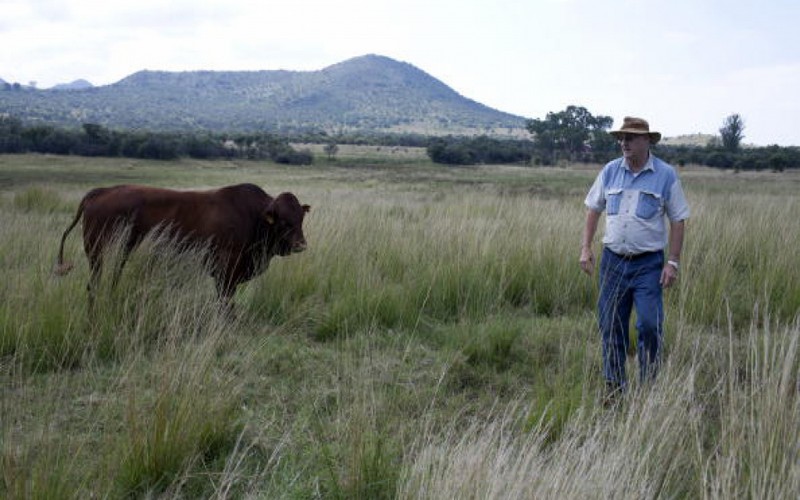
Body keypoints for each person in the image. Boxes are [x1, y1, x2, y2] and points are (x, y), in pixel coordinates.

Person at [579, 116, 690, 400]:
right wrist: (586, 247)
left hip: (648, 264)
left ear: (646, 141)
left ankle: (649, 388)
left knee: (649, 325)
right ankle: (614, 389)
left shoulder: (665, 174)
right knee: (610, 324)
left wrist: (673, 262)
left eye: (630, 138)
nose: (623, 143)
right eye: (621, 138)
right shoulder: (609, 171)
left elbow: (678, 219)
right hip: (613, 262)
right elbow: (593, 209)